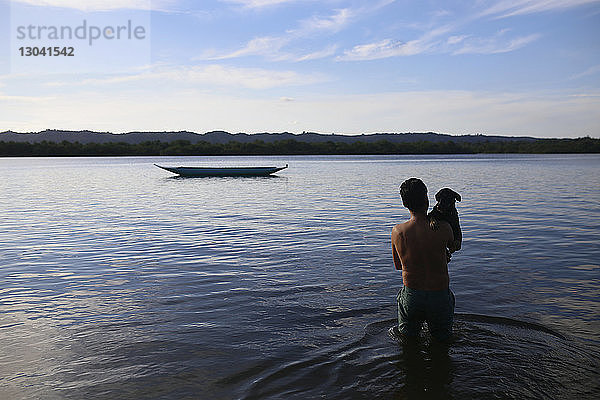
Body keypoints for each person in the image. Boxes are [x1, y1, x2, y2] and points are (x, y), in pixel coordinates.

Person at [391, 178, 461, 343]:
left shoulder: (397, 232)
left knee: (408, 344)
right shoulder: (444, 228)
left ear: (404, 204)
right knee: (442, 345)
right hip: (439, 295)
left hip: (412, 296)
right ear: (427, 199)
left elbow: (398, 265)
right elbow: (454, 247)